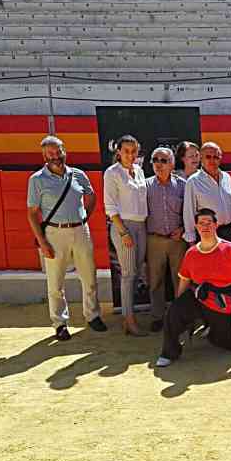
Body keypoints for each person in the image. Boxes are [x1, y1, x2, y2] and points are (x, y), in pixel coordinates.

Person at [27, 135, 107, 341]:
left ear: (65, 152)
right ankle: (60, 323)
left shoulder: (78, 174)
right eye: (51, 153)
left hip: (80, 230)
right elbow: (32, 213)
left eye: (58, 152)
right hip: (55, 233)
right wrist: (42, 241)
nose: (56, 156)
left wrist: (84, 217)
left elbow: (91, 196)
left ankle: (92, 315)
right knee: (55, 282)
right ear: (44, 156)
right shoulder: (37, 180)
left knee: (89, 276)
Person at [156, 208, 231, 368]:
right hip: (200, 298)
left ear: (216, 225)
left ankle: (213, 329)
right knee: (173, 311)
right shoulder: (191, 253)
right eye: (201, 223)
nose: (205, 226)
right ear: (196, 227)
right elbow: (184, 280)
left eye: (209, 222)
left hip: (225, 303)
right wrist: (178, 304)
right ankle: (168, 353)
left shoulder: (230, 249)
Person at [104, 135, 148, 336]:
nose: (130, 155)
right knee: (129, 274)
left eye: (134, 151)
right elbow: (110, 207)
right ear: (119, 152)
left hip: (141, 226)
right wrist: (123, 233)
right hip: (124, 227)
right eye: (126, 151)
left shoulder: (139, 170)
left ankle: (128, 317)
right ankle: (128, 319)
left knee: (136, 272)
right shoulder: (112, 173)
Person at [145, 147, 188, 333]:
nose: (159, 164)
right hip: (154, 240)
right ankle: (157, 317)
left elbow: (189, 212)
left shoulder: (183, 186)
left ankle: (181, 317)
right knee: (155, 281)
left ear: (172, 164)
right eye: (155, 160)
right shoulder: (144, 186)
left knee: (181, 281)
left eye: (163, 160)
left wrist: (183, 229)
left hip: (177, 241)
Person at [182, 141, 231, 244]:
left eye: (216, 157)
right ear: (201, 158)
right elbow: (189, 212)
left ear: (220, 158)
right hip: (207, 234)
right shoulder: (193, 181)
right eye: (208, 157)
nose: (212, 160)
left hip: (230, 233)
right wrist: (191, 240)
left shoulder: (227, 177)